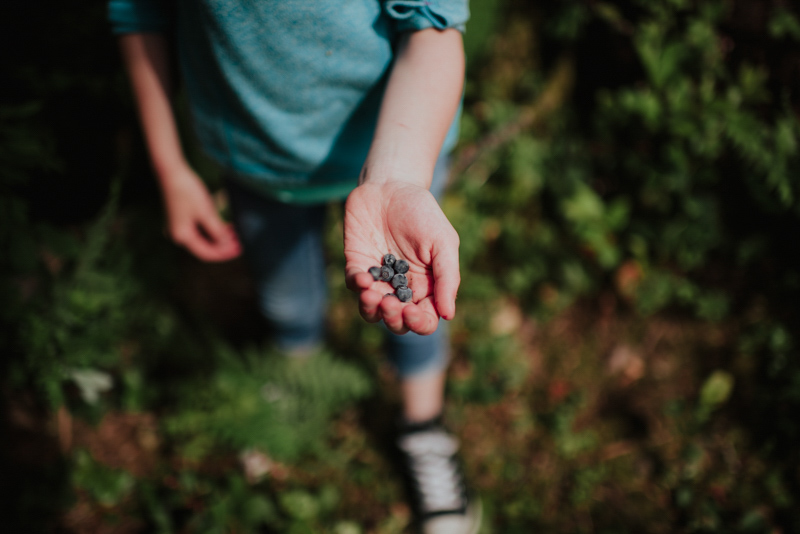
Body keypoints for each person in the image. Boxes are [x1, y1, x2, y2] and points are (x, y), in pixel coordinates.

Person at [109, 1, 479, 532]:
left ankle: (424, 426)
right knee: (285, 295)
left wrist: (396, 179)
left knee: (418, 301)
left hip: (401, 151)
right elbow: (140, 13)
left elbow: (434, 29)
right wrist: (170, 167)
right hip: (256, 165)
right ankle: (300, 385)